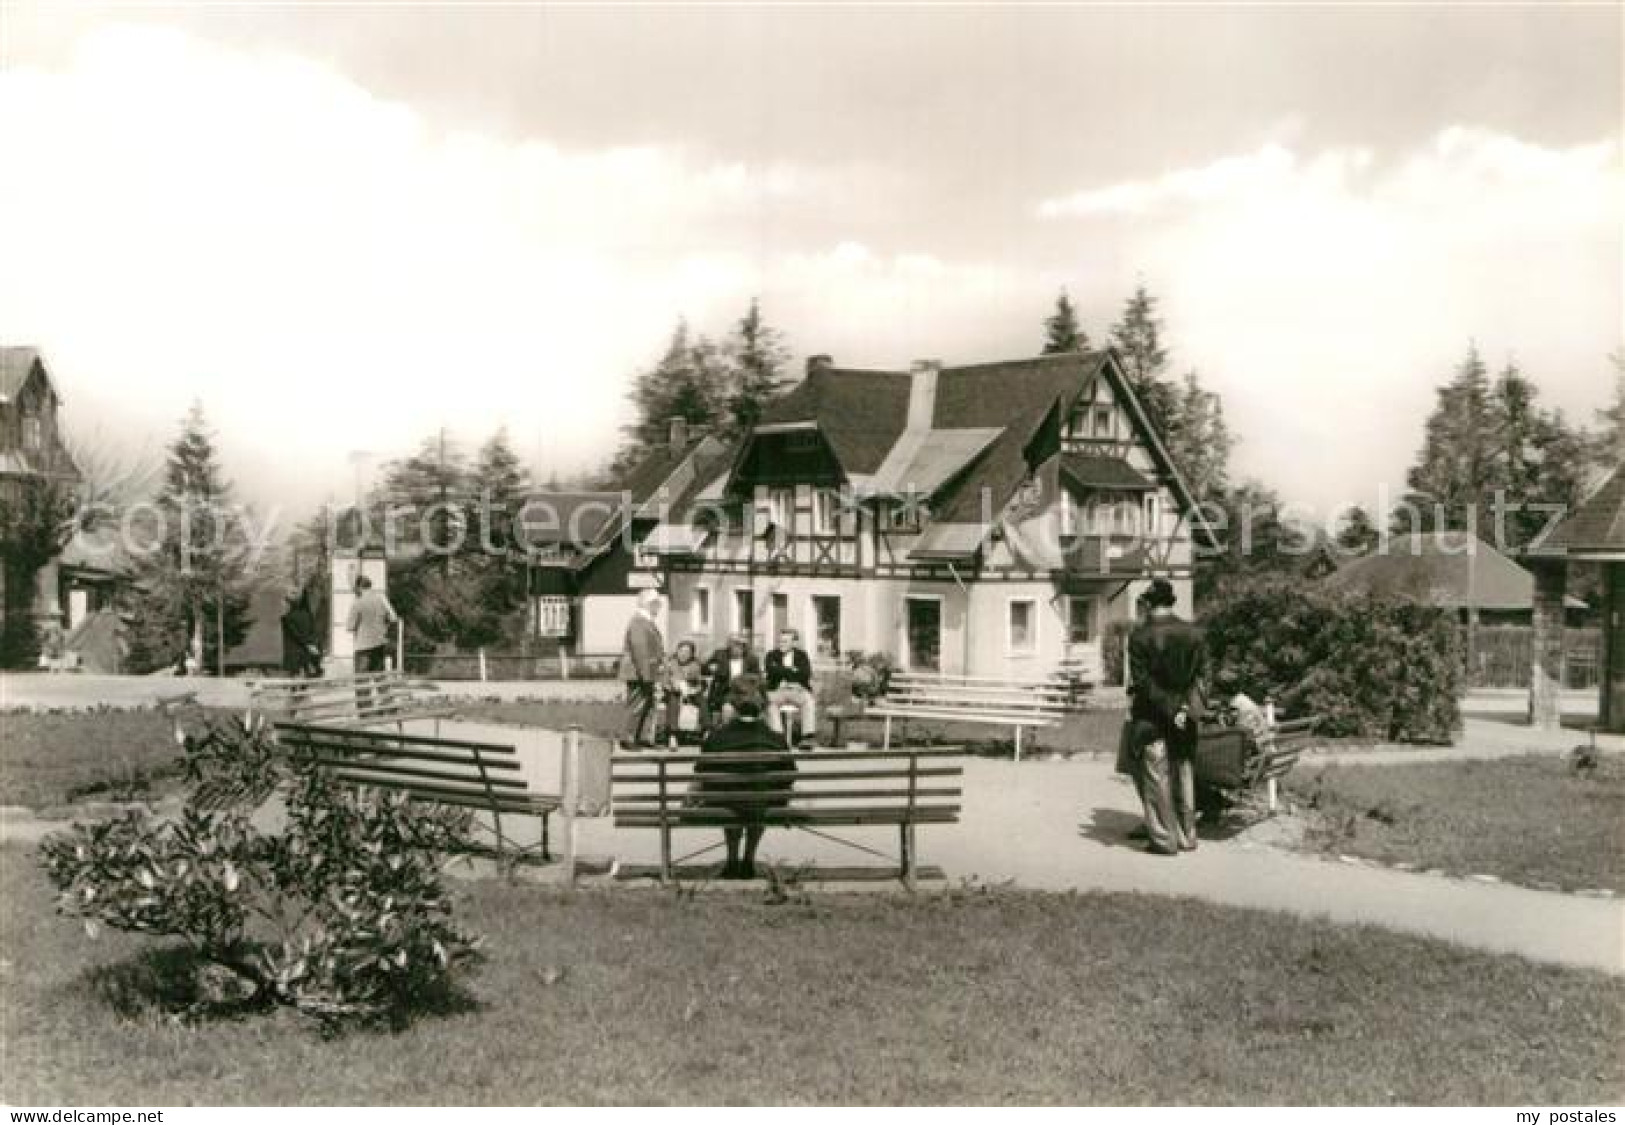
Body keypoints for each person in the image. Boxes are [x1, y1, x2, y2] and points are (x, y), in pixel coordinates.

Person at [1126, 578, 1206, 856]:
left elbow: (1144, 683)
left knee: (1156, 774)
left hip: (1152, 717)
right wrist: (1185, 710)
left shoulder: (1139, 637)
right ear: (1172, 602)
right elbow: (1202, 679)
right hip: (1185, 716)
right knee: (1184, 772)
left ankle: (1163, 839)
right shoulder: (1195, 634)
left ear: (1148, 603)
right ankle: (1187, 836)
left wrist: (1171, 710)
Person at [693, 676, 796, 879]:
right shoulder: (776, 739)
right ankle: (748, 859)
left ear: (733, 703)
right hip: (763, 805)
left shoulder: (716, 738)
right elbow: (788, 776)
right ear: (763, 704)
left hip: (725, 803)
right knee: (759, 798)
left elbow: (702, 773)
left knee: (732, 799)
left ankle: (732, 860)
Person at [618, 589, 666, 748]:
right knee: (636, 705)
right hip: (639, 672)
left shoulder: (644, 621)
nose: (659, 607)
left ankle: (640, 737)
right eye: (657, 604)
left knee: (646, 704)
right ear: (649, 604)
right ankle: (628, 738)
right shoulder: (639, 622)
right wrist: (646, 676)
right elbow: (640, 651)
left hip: (644, 671)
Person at [764, 627, 817, 747]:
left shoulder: (802, 655)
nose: (781, 644)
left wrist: (781, 670)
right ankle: (778, 737)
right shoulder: (771, 655)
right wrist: (792, 671)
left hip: (797, 690)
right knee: (770, 702)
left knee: (808, 701)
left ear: (794, 643)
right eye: (780, 641)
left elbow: (805, 673)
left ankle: (807, 737)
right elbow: (771, 670)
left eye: (785, 641)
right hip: (777, 690)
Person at [703, 631, 762, 727]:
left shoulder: (751, 659)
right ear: (729, 645)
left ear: (744, 647)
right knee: (727, 708)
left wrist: (747, 682)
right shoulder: (720, 654)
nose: (736, 648)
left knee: (753, 705)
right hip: (724, 691)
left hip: (746, 691)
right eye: (733, 644)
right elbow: (705, 669)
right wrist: (711, 667)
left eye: (740, 645)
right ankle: (727, 733)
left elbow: (758, 677)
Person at [346, 575, 398, 674]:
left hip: (363, 645)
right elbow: (393, 617)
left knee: (362, 682)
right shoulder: (381, 599)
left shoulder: (357, 603)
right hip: (379, 642)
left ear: (359, 588)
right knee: (379, 678)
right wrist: (384, 625)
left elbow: (350, 626)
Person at [662, 640, 705, 748]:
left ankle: (707, 731)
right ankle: (673, 735)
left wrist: (693, 690)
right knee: (673, 699)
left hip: (690, 693)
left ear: (691, 655)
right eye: (681, 651)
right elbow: (664, 683)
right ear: (677, 651)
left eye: (687, 652)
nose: (683, 654)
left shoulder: (695, 665)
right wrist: (673, 687)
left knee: (701, 699)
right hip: (673, 692)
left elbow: (699, 683)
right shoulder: (670, 664)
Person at [280, 584, 323, 677]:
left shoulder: (288, 618)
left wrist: (308, 645)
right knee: (303, 682)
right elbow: (312, 632)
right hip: (305, 656)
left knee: (295, 682)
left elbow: (297, 635)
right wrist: (311, 645)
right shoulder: (307, 615)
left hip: (294, 657)